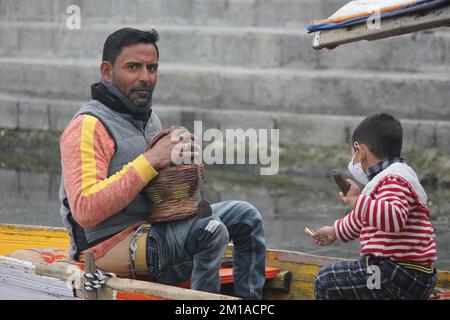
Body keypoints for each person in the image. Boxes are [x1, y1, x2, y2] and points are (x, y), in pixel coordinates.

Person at [59, 28, 266, 299]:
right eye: (133, 67)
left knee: (246, 216)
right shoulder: (87, 126)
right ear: (107, 72)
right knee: (210, 230)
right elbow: (85, 209)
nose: (145, 77)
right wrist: (152, 159)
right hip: (107, 247)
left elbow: (156, 189)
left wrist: (180, 159)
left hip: (154, 228)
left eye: (152, 68)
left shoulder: (149, 120)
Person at [310, 113, 438, 300]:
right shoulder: (390, 180)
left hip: (396, 273)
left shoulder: (394, 180)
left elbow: (393, 218)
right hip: (410, 275)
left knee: (325, 281)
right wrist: (334, 231)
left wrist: (357, 201)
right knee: (357, 274)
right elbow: (365, 219)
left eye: (354, 154)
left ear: (360, 151)